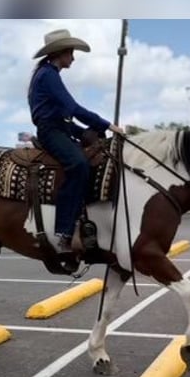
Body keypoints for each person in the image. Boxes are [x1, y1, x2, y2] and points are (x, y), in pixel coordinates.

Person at [28, 28, 124, 254]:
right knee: (78, 165)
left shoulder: (48, 74)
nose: (73, 57)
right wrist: (107, 125)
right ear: (60, 52)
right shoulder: (48, 75)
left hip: (60, 128)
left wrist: (85, 132)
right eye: (71, 52)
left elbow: (65, 116)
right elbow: (73, 108)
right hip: (51, 131)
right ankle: (63, 232)